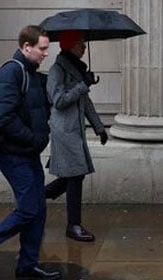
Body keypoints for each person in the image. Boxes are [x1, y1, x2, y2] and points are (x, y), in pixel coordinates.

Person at [0, 25, 61, 280]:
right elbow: (3, 116)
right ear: (26, 47)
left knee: (38, 209)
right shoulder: (13, 71)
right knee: (29, 209)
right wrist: (32, 139)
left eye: (47, 48)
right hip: (13, 153)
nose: (46, 54)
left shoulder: (32, 74)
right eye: (42, 48)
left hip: (27, 153)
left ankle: (27, 266)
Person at [44, 30, 108, 242]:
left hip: (75, 130)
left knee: (74, 175)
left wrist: (99, 127)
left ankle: (42, 195)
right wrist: (83, 85)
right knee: (75, 175)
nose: (84, 47)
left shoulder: (76, 69)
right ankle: (74, 225)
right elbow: (59, 101)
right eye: (81, 43)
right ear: (70, 45)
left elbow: (85, 102)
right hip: (64, 131)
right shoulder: (57, 71)